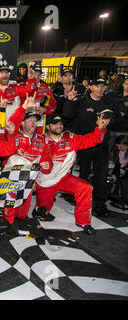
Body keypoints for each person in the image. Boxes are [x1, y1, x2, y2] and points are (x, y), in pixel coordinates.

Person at [34, 114, 111, 235]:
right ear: (48, 126)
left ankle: (83, 221)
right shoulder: (39, 139)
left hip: (64, 178)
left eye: (60, 123)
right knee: (42, 213)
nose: (59, 125)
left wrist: (100, 129)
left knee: (86, 188)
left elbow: (91, 140)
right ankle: (40, 208)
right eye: (55, 123)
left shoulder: (70, 138)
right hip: (44, 180)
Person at [62, 76, 126, 216]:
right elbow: (67, 114)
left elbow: (119, 122)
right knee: (83, 174)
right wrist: (70, 100)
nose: (100, 89)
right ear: (91, 87)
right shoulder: (82, 101)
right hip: (85, 144)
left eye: (102, 86)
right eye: (97, 86)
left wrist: (109, 123)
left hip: (101, 145)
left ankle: (99, 205)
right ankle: (80, 202)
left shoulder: (109, 102)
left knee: (101, 175)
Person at [2, 96, 53, 230]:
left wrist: (47, 165)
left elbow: (47, 160)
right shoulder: (14, 135)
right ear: (22, 123)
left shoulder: (42, 140)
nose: (33, 123)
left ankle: (20, 218)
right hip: (12, 179)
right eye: (30, 120)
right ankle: (8, 221)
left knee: (22, 214)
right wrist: (23, 108)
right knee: (11, 206)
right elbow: (12, 123)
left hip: (29, 181)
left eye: (35, 120)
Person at [0, 65, 30, 141]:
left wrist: (31, 79)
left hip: (13, 129)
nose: (4, 74)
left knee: (14, 151)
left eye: (6, 73)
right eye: (2, 73)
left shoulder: (16, 88)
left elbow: (29, 92)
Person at [20, 65, 57, 134]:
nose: (37, 76)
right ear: (30, 73)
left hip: (39, 121)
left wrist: (45, 109)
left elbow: (53, 105)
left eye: (39, 74)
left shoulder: (45, 88)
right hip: (24, 120)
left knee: (38, 140)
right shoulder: (22, 85)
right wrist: (31, 81)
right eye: (34, 74)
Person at [108, 135, 128, 210]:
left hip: (125, 175)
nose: (119, 148)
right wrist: (114, 174)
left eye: (121, 147)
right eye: (117, 146)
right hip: (122, 173)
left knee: (124, 183)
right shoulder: (120, 152)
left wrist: (120, 176)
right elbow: (117, 165)